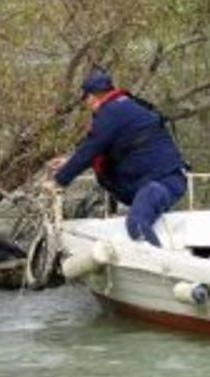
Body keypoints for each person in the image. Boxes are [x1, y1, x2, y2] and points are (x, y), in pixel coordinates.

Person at [46, 70, 187, 247]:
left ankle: (162, 264)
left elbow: (91, 149)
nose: (87, 105)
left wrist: (58, 181)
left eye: (86, 100)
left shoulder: (111, 112)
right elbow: (110, 145)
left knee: (136, 224)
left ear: (90, 97)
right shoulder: (127, 106)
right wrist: (70, 160)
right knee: (141, 216)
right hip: (166, 178)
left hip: (160, 183)